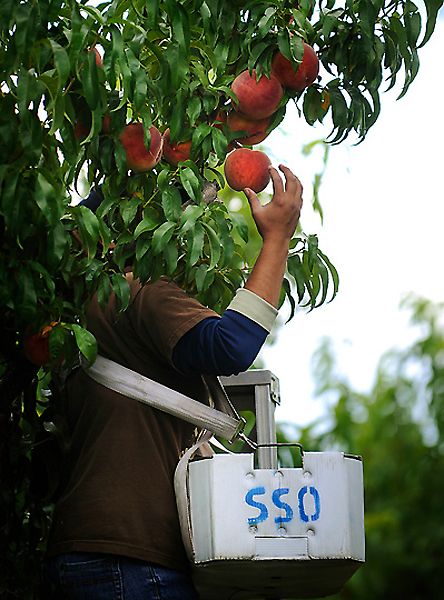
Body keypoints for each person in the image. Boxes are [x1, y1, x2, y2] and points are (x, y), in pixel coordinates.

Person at [44, 164, 303, 599]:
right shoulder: (141, 292)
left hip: (78, 549)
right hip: (132, 563)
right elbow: (232, 347)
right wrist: (277, 239)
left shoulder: (74, 310)